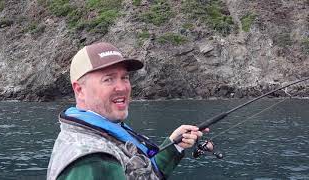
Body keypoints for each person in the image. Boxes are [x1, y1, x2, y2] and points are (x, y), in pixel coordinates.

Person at [47, 42, 208, 180]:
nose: (122, 87)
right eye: (108, 79)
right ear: (80, 90)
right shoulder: (92, 161)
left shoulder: (98, 134)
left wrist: (174, 145)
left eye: (125, 77)